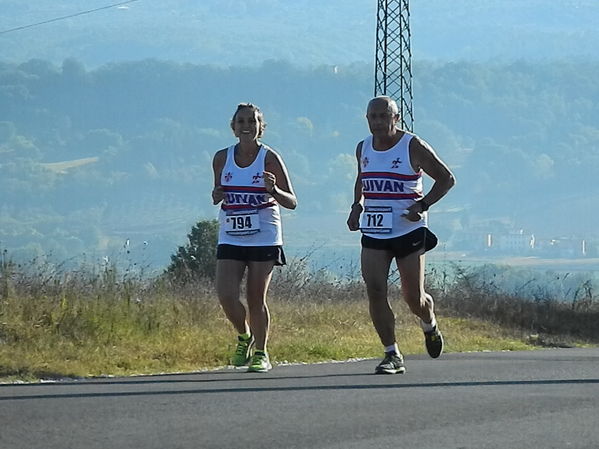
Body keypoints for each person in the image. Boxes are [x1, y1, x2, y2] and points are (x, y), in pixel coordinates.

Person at [346, 96, 456, 374]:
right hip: (374, 230)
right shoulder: (363, 148)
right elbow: (362, 178)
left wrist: (422, 205)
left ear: (396, 118)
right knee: (375, 290)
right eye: (374, 117)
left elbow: (446, 179)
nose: (379, 122)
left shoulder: (413, 146)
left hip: (408, 229)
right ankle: (391, 354)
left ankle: (429, 322)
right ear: (367, 119)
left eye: (385, 116)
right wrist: (356, 206)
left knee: (412, 297)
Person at [211, 103, 297, 373]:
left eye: (252, 121)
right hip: (231, 234)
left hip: (264, 235)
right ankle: (244, 336)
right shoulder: (221, 158)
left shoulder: (269, 158)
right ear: (233, 127)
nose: (246, 126)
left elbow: (292, 201)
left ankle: (261, 352)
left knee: (255, 297)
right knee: (225, 295)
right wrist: (217, 195)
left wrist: (273, 191)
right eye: (241, 122)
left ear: (262, 127)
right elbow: (218, 191)